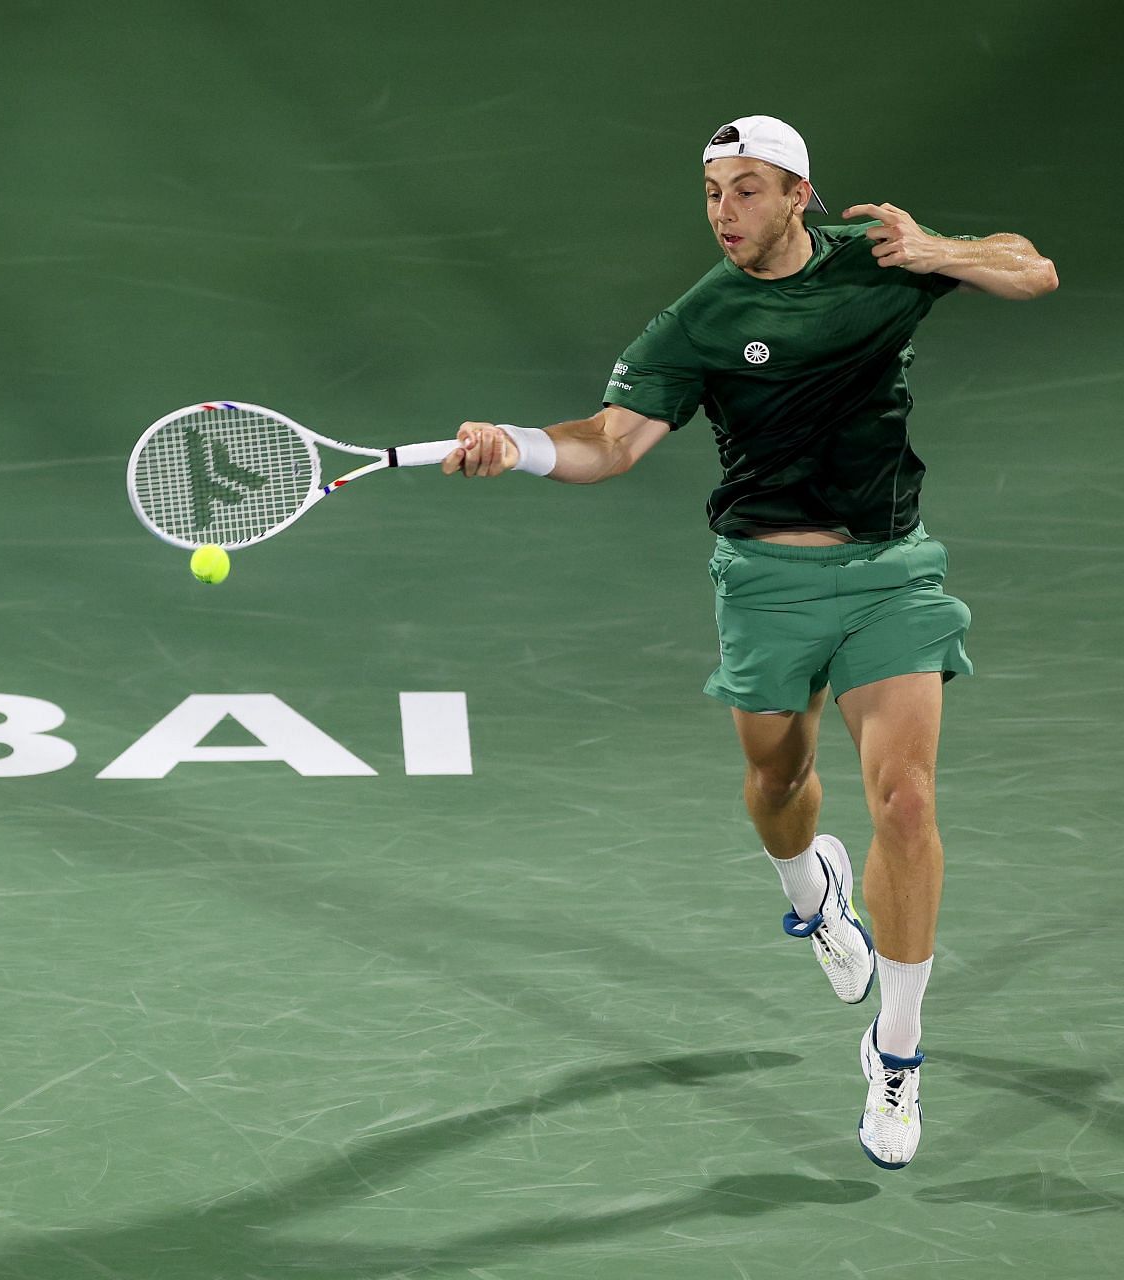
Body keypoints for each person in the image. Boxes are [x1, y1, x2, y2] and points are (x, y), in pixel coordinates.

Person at [442, 115, 1057, 1169]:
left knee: (907, 800)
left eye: (748, 189)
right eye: (714, 192)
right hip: (765, 580)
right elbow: (613, 440)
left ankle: (897, 1055)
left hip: (889, 572)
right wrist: (524, 447)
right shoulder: (702, 318)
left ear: (800, 194)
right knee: (778, 781)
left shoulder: (882, 258)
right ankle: (811, 889)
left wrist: (938, 251)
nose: (725, 212)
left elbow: (1030, 269)